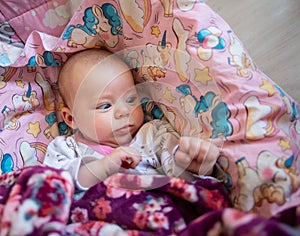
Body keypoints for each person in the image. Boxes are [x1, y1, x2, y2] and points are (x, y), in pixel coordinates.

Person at [44, 49, 221, 190]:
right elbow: (55, 187)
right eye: (105, 106)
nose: (124, 112)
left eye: (130, 100)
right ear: (71, 118)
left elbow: (180, 180)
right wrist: (106, 166)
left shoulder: (153, 134)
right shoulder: (66, 149)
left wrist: (195, 166)